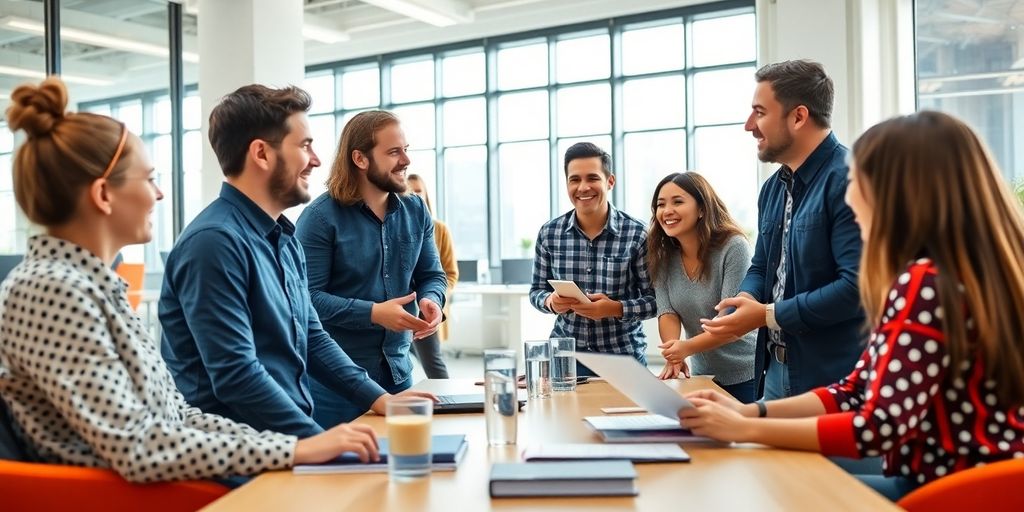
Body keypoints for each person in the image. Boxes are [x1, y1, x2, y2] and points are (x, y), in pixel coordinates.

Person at [0, 77, 381, 484]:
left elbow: (176, 416)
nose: (159, 194)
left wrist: (301, 447)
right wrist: (296, 448)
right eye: (148, 179)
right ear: (103, 195)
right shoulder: (52, 289)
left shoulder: (92, 287)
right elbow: (137, 445)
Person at [679, 111, 1024, 501]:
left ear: (895, 192)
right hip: (985, 487)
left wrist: (744, 430)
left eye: (857, 179)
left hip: (949, 492)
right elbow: (854, 391)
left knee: (771, 491)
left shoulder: (925, 283)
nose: (848, 194)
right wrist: (747, 413)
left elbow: (876, 427)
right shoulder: (972, 275)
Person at [160, 86, 433, 439]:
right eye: (304, 146)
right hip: (240, 457)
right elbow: (236, 374)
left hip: (282, 442)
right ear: (261, 154)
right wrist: (315, 440)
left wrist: (379, 399)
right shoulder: (214, 243)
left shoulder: (282, 239)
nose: (317, 160)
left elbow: (313, 338)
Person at [700, 60, 863, 399]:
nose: (749, 126)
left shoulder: (850, 180)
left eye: (759, 113)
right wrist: (746, 298)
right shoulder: (773, 187)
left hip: (833, 378)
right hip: (773, 371)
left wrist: (766, 315)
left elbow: (856, 288)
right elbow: (762, 266)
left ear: (799, 116)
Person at [294, 111, 448, 427]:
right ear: (360, 159)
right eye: (394, 152)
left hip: (399, 375)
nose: (406, 160)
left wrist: (433, 300)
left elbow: (432, 274)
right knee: (341, 474)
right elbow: (305, 300)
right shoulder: (319, 219)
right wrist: (373, 313)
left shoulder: (415, 209)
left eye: (406, 149)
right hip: (335, 389)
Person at [529, 142, 656, 375]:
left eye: (592, 178)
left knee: (632, 414)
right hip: (565, 359)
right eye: (574, 179)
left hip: (623, 358)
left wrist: (615, 308)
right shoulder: (549, 234)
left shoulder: (638, 234)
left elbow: (656, 300)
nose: (583, 187)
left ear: (610, 181)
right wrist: (550, 302)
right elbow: (536, 291)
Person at [648, 172, 757, 402]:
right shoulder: (663, 256)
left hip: (749, 375)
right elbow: (667, 312)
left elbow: (731, 321)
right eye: (660, 204)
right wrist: (674, 355)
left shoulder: (733, 247)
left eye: (678, 202)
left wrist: (685, 348)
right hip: (704, 376)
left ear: (702, 209)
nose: (667, 211)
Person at [406, 173, 457, 379]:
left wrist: (435, 297)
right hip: (399, 308)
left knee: (433, 365)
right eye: (408, 191)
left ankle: (449, 404)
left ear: (426, 195)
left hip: (425, 310)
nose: (413, 196)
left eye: (418, 191)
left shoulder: (439, 229)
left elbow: (450, 274)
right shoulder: (395, 227)